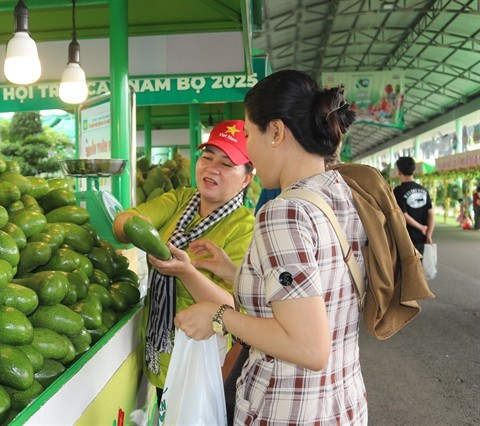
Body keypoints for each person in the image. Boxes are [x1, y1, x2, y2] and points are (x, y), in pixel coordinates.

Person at [151, 69, 368, 424]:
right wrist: (234, 272)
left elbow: (308, 348)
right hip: (341, 403)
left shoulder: (285, 212)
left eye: (250, 134)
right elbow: (315, 293)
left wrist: (218, 315)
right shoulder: (340, 192)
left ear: (277, 132)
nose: (248, 147)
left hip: (290, 410)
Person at [112, 119, 255, 402]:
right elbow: (123, 223)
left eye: (227, 164)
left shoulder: (245, 226)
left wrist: (185, 272)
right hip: (159, 349)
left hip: (202, 358)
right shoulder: (180, 199)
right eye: (207, 157)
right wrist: (140, 232)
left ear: (246, 178)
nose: (212, 168)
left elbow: (235, 307)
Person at [393, 156, 434, 254]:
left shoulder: (398, 191)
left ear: (399, 171)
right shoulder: (424, 190)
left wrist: (421, 227)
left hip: (406, 239)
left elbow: (403, 215)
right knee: (420, 267)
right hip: (422, 239)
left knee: (406, 268)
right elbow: (431, 214)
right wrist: (428, 234)